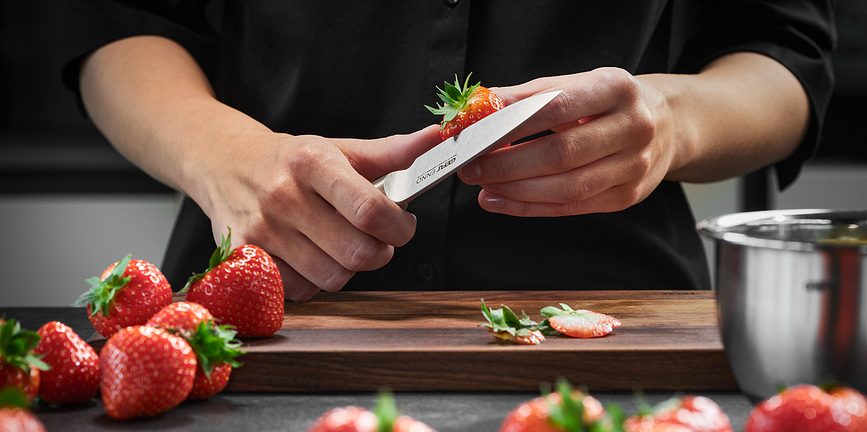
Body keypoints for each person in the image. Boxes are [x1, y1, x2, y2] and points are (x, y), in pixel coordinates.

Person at [61, 1, 835, 301]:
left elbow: (783, 54)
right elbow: (118, 26)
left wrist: (673, 120)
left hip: (610, 323)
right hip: (262, 312)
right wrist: (225, 156)